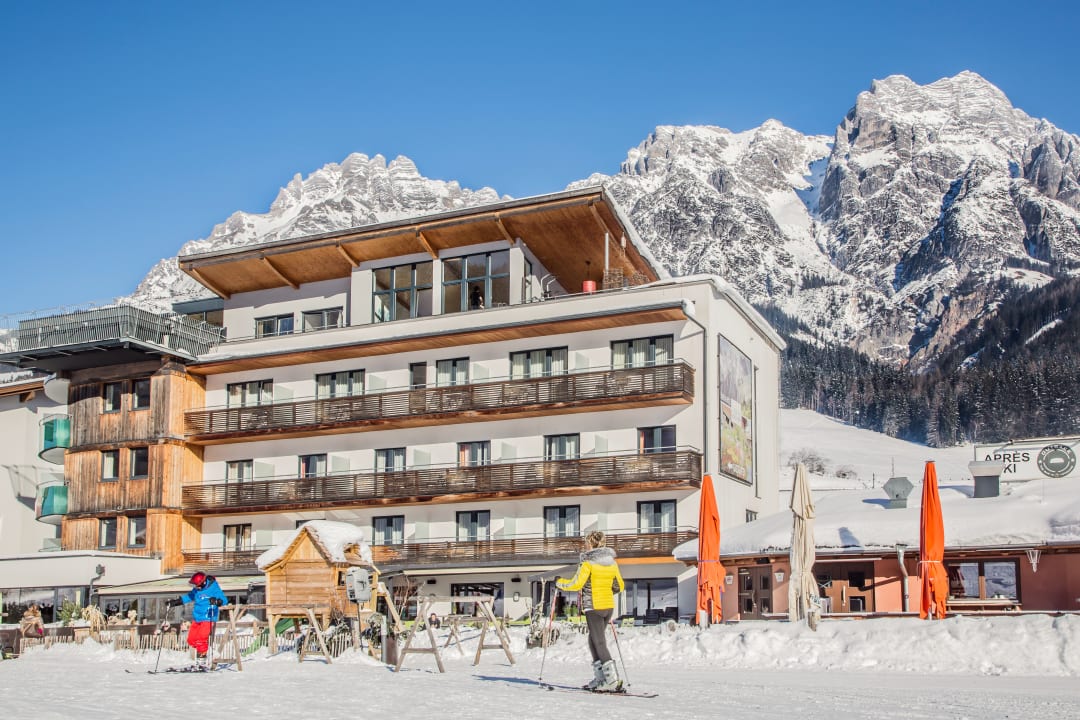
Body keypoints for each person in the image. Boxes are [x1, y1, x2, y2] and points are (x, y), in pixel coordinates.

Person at [556, 530, 625, 692]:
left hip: (593, 606)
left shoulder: (588, 563)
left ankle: (612, 680)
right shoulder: (612, 563)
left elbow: (576, 584)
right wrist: (607, 591)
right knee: (593, 640)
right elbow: (619, 586)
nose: (585, 545)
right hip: (608, 606)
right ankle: (601, 678)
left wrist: (559, 583)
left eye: (586, 542)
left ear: (591, 544)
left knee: (599, 642)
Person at [169, 571, 227, 661]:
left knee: (201, 639)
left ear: (203, 583)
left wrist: (216, 601)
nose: (196, 588)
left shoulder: (214, 587)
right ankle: (206, 650)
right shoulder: (197, 589)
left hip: (208, 617)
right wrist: (176, 602)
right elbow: (190, 596)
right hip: (197, 617)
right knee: (191, 640)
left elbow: (224, 600)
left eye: (197, 585)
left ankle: (202, 660)